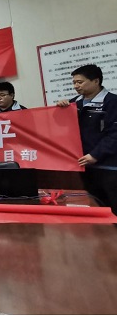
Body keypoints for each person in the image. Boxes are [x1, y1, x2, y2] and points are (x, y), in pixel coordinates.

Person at [57, 64, 117, 214]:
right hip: (85, 165)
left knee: (114, 205)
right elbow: (61, 127)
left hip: (109, 166)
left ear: (96, 81)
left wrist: (95, 155)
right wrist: (59, 110)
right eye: (74, 82)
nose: (76, 86)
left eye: (80, 82)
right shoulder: (74, 103)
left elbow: (114, 134)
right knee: (99, 207)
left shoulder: (112, 102)